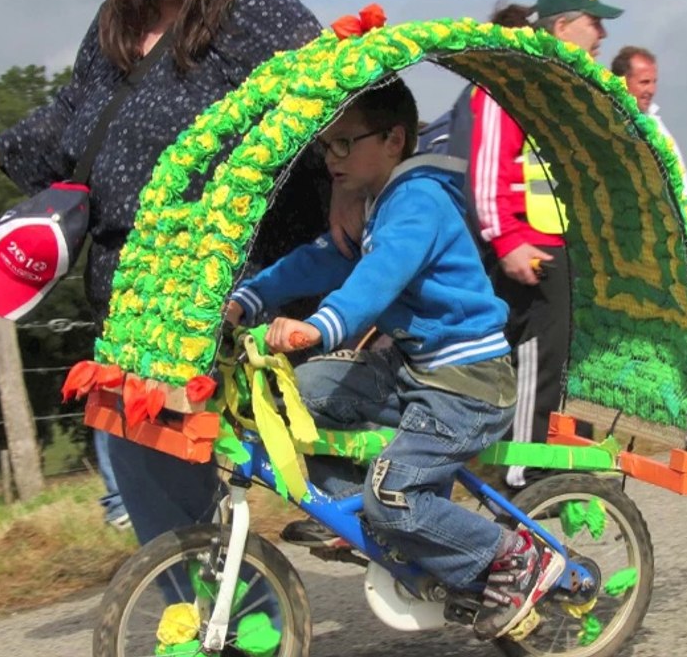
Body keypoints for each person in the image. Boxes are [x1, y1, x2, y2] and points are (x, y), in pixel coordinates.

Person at [0, 0, 361, 544]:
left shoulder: (254, 9)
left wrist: (345, 188)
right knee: (147, 458)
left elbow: (330, 92)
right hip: (128, 282)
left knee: (232, 437)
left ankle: (390, 520)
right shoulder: (115, 22)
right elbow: (74, 112)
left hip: (220, 272)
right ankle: (216, 613)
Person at [225, 78, 565, 639]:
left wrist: (318, 327)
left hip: (466, 386)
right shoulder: (375, 203)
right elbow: (318, 261)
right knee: (300, 395)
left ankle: (513, 556)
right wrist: (249, 297)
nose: (331, 158)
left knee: (394, 492)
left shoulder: (417, 204)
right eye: (325, 147)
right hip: (412, 370)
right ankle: (351, 511)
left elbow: (374, 281)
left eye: (343, 144)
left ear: (392, 140)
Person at [445, 0, 624, 490]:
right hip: (528, 249)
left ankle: (555, 465)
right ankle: (522, 478)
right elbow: (487, 168)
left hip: (558, 247)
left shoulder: (560, 85)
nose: (603, 34)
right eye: (594, 22)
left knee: (563, 364)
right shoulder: (515, 78)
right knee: (537, 365)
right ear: (563, 26)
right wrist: (506, 240)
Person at [611, 45, 687, 217]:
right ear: (621, 81)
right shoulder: (613, 126)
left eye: (654, 82)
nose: (651, 90)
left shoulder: (654, 122)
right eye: (644, 82)